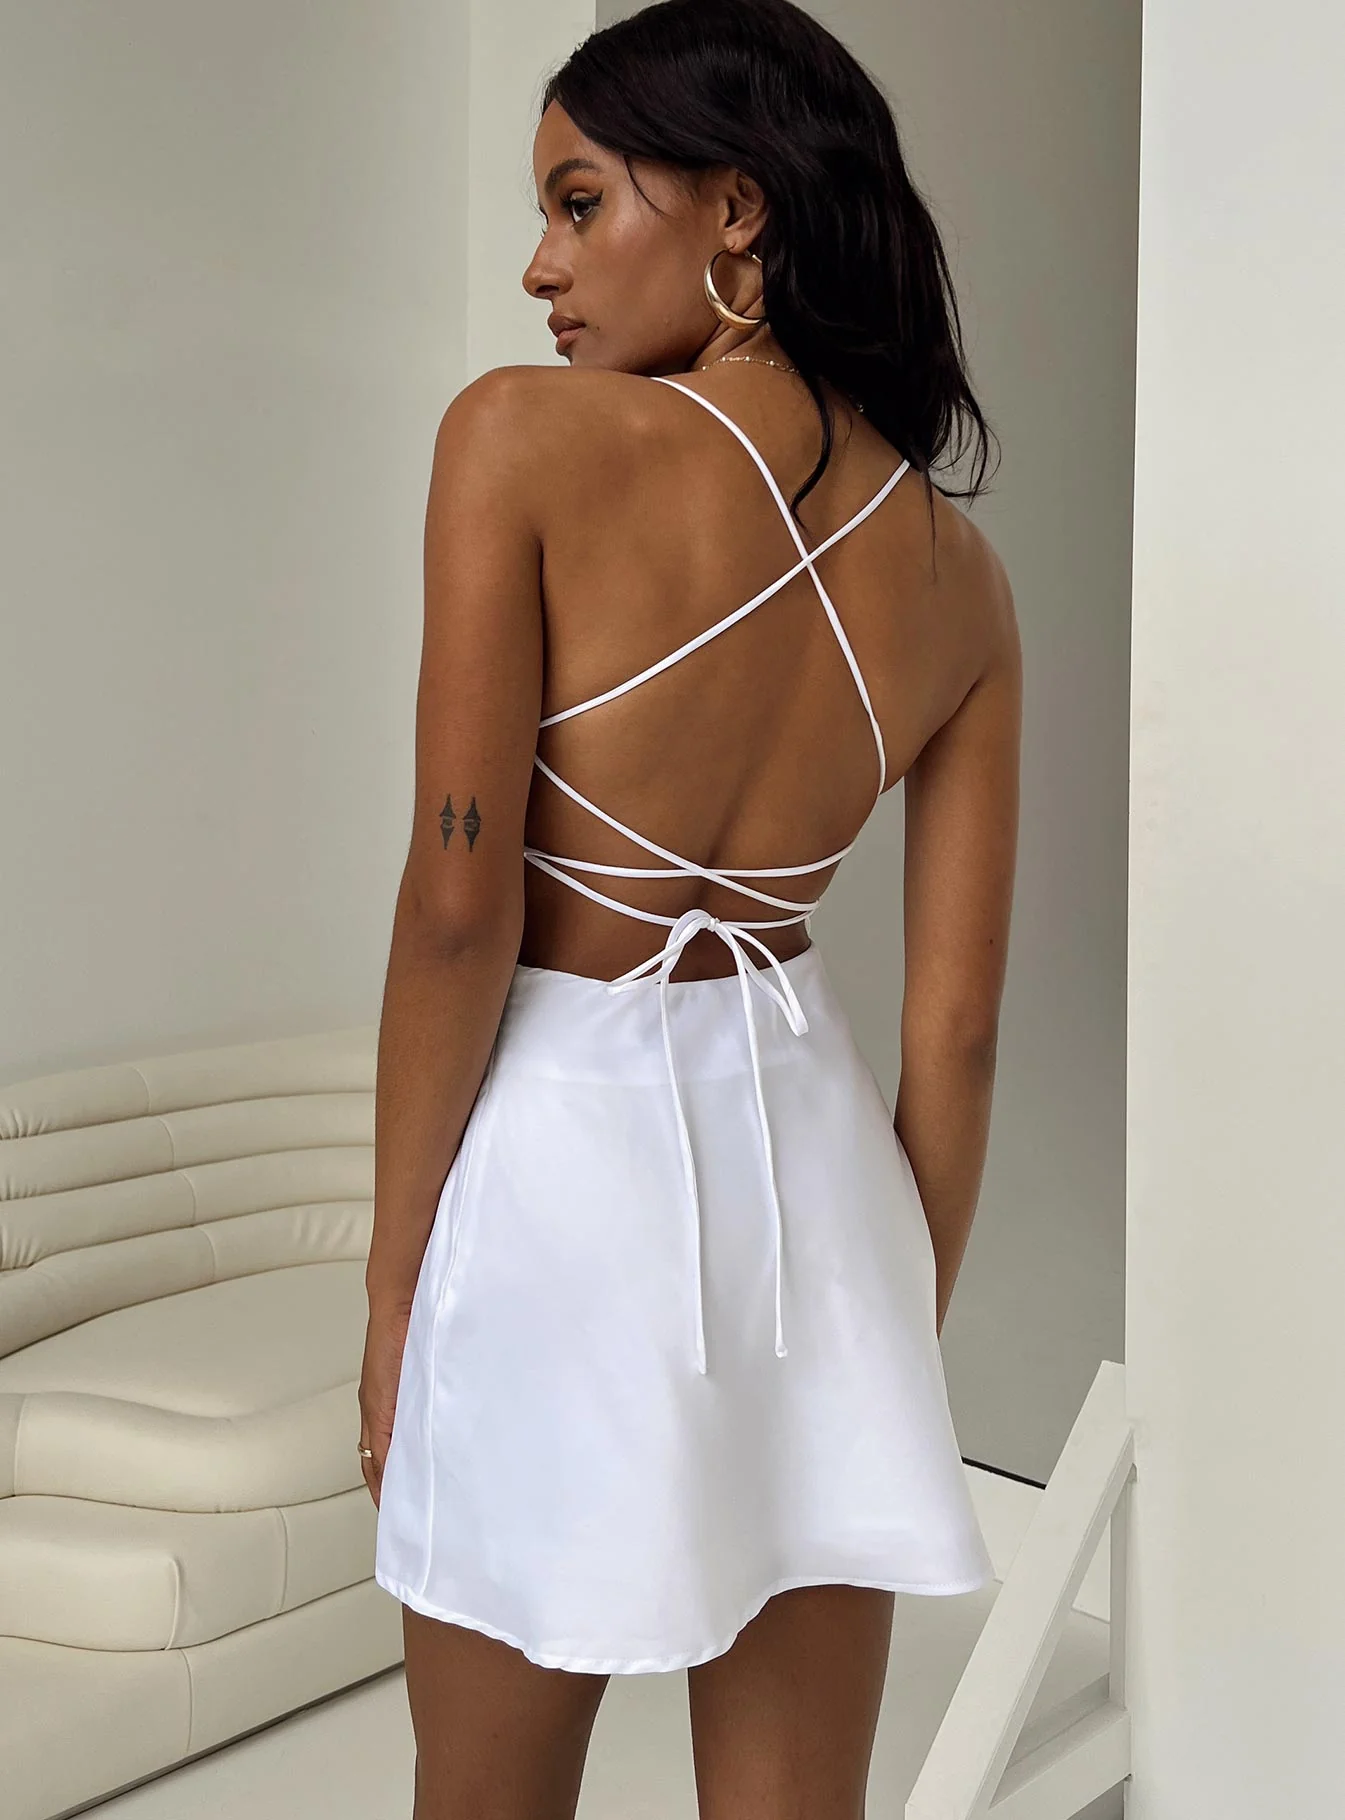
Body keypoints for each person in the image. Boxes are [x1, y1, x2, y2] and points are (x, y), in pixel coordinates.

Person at [358, 0, 1020, 1812]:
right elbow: (958, 1032)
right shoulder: (962, 578)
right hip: (824, 1191)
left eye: (580, 203)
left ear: (738, 209)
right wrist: (887, 1326)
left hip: (561, 1174)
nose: (539, 266)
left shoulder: (519, 441)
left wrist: (396, 1285)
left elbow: (457, 912)